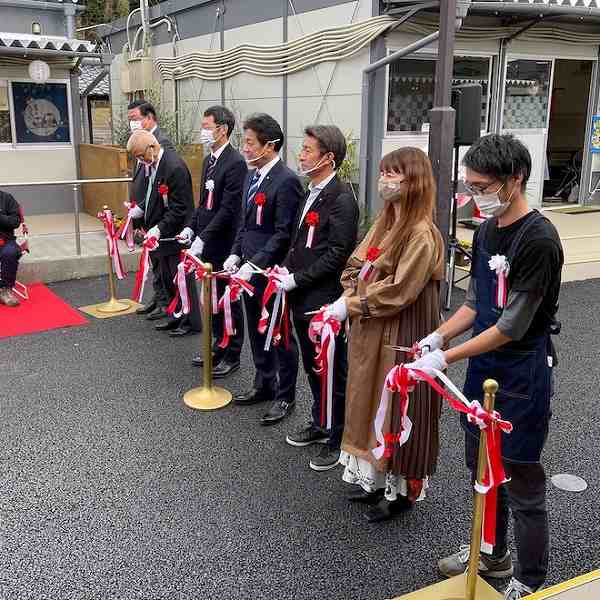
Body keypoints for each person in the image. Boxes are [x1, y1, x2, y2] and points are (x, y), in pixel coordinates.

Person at [406, 134, 564, 600]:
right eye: (470, 186)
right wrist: (439, 334)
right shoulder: (488, 229)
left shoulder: (539, 239)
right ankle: (492, 551)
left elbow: (512, 324)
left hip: (520, 372)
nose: (476, 196)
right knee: (481, 464)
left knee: (520, 476)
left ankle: (530, 579)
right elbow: (477, 303)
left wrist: (446, 357)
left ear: (515, 180)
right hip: (481, 367)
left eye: (483, 186)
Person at [332, 147, 445, 523]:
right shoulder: (386, 220)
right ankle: (375, 481)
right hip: (371, 325)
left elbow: (400, 290)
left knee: (396, 407)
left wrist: (353, 303)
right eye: (384, 172)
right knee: (367, 400)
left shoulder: (421, 232)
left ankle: (399, 492)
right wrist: (352, 295)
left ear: (414, 181)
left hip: (400, 330)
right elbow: (356, 265)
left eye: (394, 173)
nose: (385, 180)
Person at [276, 125, 359, 471]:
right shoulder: (311, 191)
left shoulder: (341, 198)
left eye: (309, 150)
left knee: (333, 371)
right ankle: (320, 420)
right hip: (300, 295)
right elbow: (299, 244)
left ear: (329, 157)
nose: (301, 155)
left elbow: (337, 254)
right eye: (303, 148)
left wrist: (297, 278)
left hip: (323, 300)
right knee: (314, 367)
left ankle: (338, 436)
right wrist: (284, 271)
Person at [224, 113, 303, 409]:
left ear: (269, 146)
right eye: (244, 142)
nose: (244, 148)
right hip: (248, 269)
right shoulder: (251, 175)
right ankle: (263, 382)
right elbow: (244, 223)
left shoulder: (287, 181)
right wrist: (235, 253)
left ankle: (285, 395)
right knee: (257, 330)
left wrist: (255, 263)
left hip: (269, 272)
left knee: (279, 333)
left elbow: (283, 234)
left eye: (249, 143)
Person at [179, 106, 248, 371]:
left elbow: (229, 209)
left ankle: (232, 353)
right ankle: (218, 345)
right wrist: (191, 229)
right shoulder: (209, 160)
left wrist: (204, 238)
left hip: (223, 244)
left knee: (228, 300)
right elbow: (203, 204)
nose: (204, 131)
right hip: (207, 242)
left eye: (208, 126)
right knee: (211, 300)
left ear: (223, 129)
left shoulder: (235, 163)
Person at [126, 130, 197, 334]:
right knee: (168, 281)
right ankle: (175, 316)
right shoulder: (155, 164)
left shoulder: (173, 167)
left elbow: (180, 208)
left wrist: (158, 228)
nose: (140, 160)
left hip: (174, 234)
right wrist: (142, 208)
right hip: (162, 234)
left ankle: (189, 322)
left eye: (141, 156)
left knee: (180, 281)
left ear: (152, 147)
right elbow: (154, 196)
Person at [127, 101, 175, 320]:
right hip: (146, 210)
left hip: (160, 214)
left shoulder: (160, 143)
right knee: (154, 262)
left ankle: (165, 302)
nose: (133, 123)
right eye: (130, 118)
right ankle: (158, 299)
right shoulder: (139, 142)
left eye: (136, 118)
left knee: (163, 265)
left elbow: (156, 183)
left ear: (149, 117)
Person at [0, 189, 23, 307]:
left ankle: (5, 290)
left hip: (5, 240)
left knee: (10, 253)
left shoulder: (7, 198)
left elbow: (16, 221)